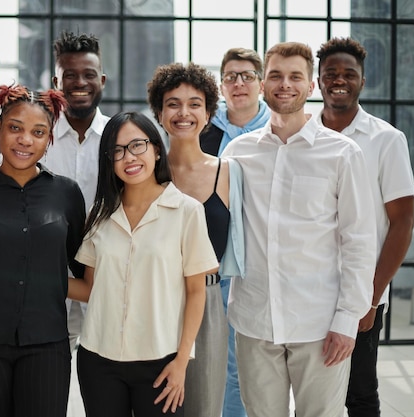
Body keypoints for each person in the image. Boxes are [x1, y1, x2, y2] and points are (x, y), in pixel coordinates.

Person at [221, 42, 377, 417]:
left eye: (295, 77)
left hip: (320, 326)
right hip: (254, 322)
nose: (284, 84)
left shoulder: (342, 153)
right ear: (262, 84)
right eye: (275, 75)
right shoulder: (237, 154)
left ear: (310, 87)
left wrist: (347, 320)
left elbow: (359, 241)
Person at [69, 111, 218, 417]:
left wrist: (181, 362)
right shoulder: (100, 215)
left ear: (156, 149)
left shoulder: (186, 211)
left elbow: (195, 291)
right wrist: (32, 275)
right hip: (98, 359)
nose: (129, 157)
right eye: (118, 151)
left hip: (161, 361)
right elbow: (89, 288)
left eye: (137, 145)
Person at [0, 83, 85, 417]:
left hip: (47, 341)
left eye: (38, 132)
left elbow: (82, 268)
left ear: (48, 139)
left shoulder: (66, 193)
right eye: (15, 128)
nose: (25, 140)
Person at [316, 37, 414, 417]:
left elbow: (403, 221)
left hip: (361, 296)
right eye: (331, 74)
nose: (339, 80)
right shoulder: (302, 136)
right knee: (312, 394)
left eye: (349, 74)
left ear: (362, 80)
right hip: (307, 294)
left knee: (359, 395)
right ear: (319, 80)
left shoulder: (386, 139)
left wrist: (370, 298)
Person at [147, 62, 245, 417]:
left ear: (208, 114)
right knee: (152, 404)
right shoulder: (146, 172)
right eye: (173, 103)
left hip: (207, 303)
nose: (183, 112)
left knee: (204, 406)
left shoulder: (228, 172)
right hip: (153, 301)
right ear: (159, 112)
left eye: (194, 104)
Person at [198, 47, 270, 417]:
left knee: (254, 365)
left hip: (262, 262)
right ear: (221, 85)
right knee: (219, 363)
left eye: (246, 76)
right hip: (213, 264)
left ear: (260, 82)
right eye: (230, 77)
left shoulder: (278, 131)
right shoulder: (204, 130)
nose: (238, 83)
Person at [45, 30, 110, 353]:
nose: (79, 83)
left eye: (88, 74)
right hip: (48, 282)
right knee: (50, 381)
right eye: (69, 75)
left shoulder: (120, 137)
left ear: (102, 80)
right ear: (56, 83)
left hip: (107, 281)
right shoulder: (39, 139)